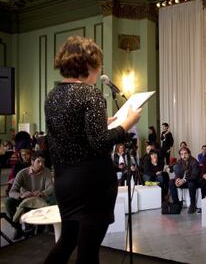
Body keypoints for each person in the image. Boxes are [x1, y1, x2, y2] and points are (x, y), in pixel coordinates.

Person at [44, 36, 142, 264]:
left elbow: (70, 134)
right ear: (88, 65)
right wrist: (127, 123)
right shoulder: (90, 94)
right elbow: (99, 144)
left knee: (67, 241)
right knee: (88, 252)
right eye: (99, 64)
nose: (100, 70)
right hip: (91, 186)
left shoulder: (53, 95)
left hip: (64, 182)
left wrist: (102, 123)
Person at [5, 151, 54, 240]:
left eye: (43, 162)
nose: (41, 164)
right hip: (25, 198)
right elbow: (12, 191)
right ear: (32, 162)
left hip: (39, 198)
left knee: (54, 197)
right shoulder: (22, 173)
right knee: (8, 202)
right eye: (38, 161)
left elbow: (50, 187)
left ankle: (49, 225)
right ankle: (17, 228)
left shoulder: (46, 171)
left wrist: (43, 192)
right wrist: (21, 195)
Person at [169, 147, 200, 213]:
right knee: (171, 182)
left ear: (189, 154)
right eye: (182, 154)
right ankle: (176, 203)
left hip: (193, 182)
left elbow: (194, 176)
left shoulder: (194, 162)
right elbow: (177, 173)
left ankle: (192, 204)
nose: (184, 156)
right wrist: (177, 179)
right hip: (183, 182)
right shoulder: (179, 161)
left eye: (185, 153)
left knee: (191, 183)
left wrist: (183, 180)